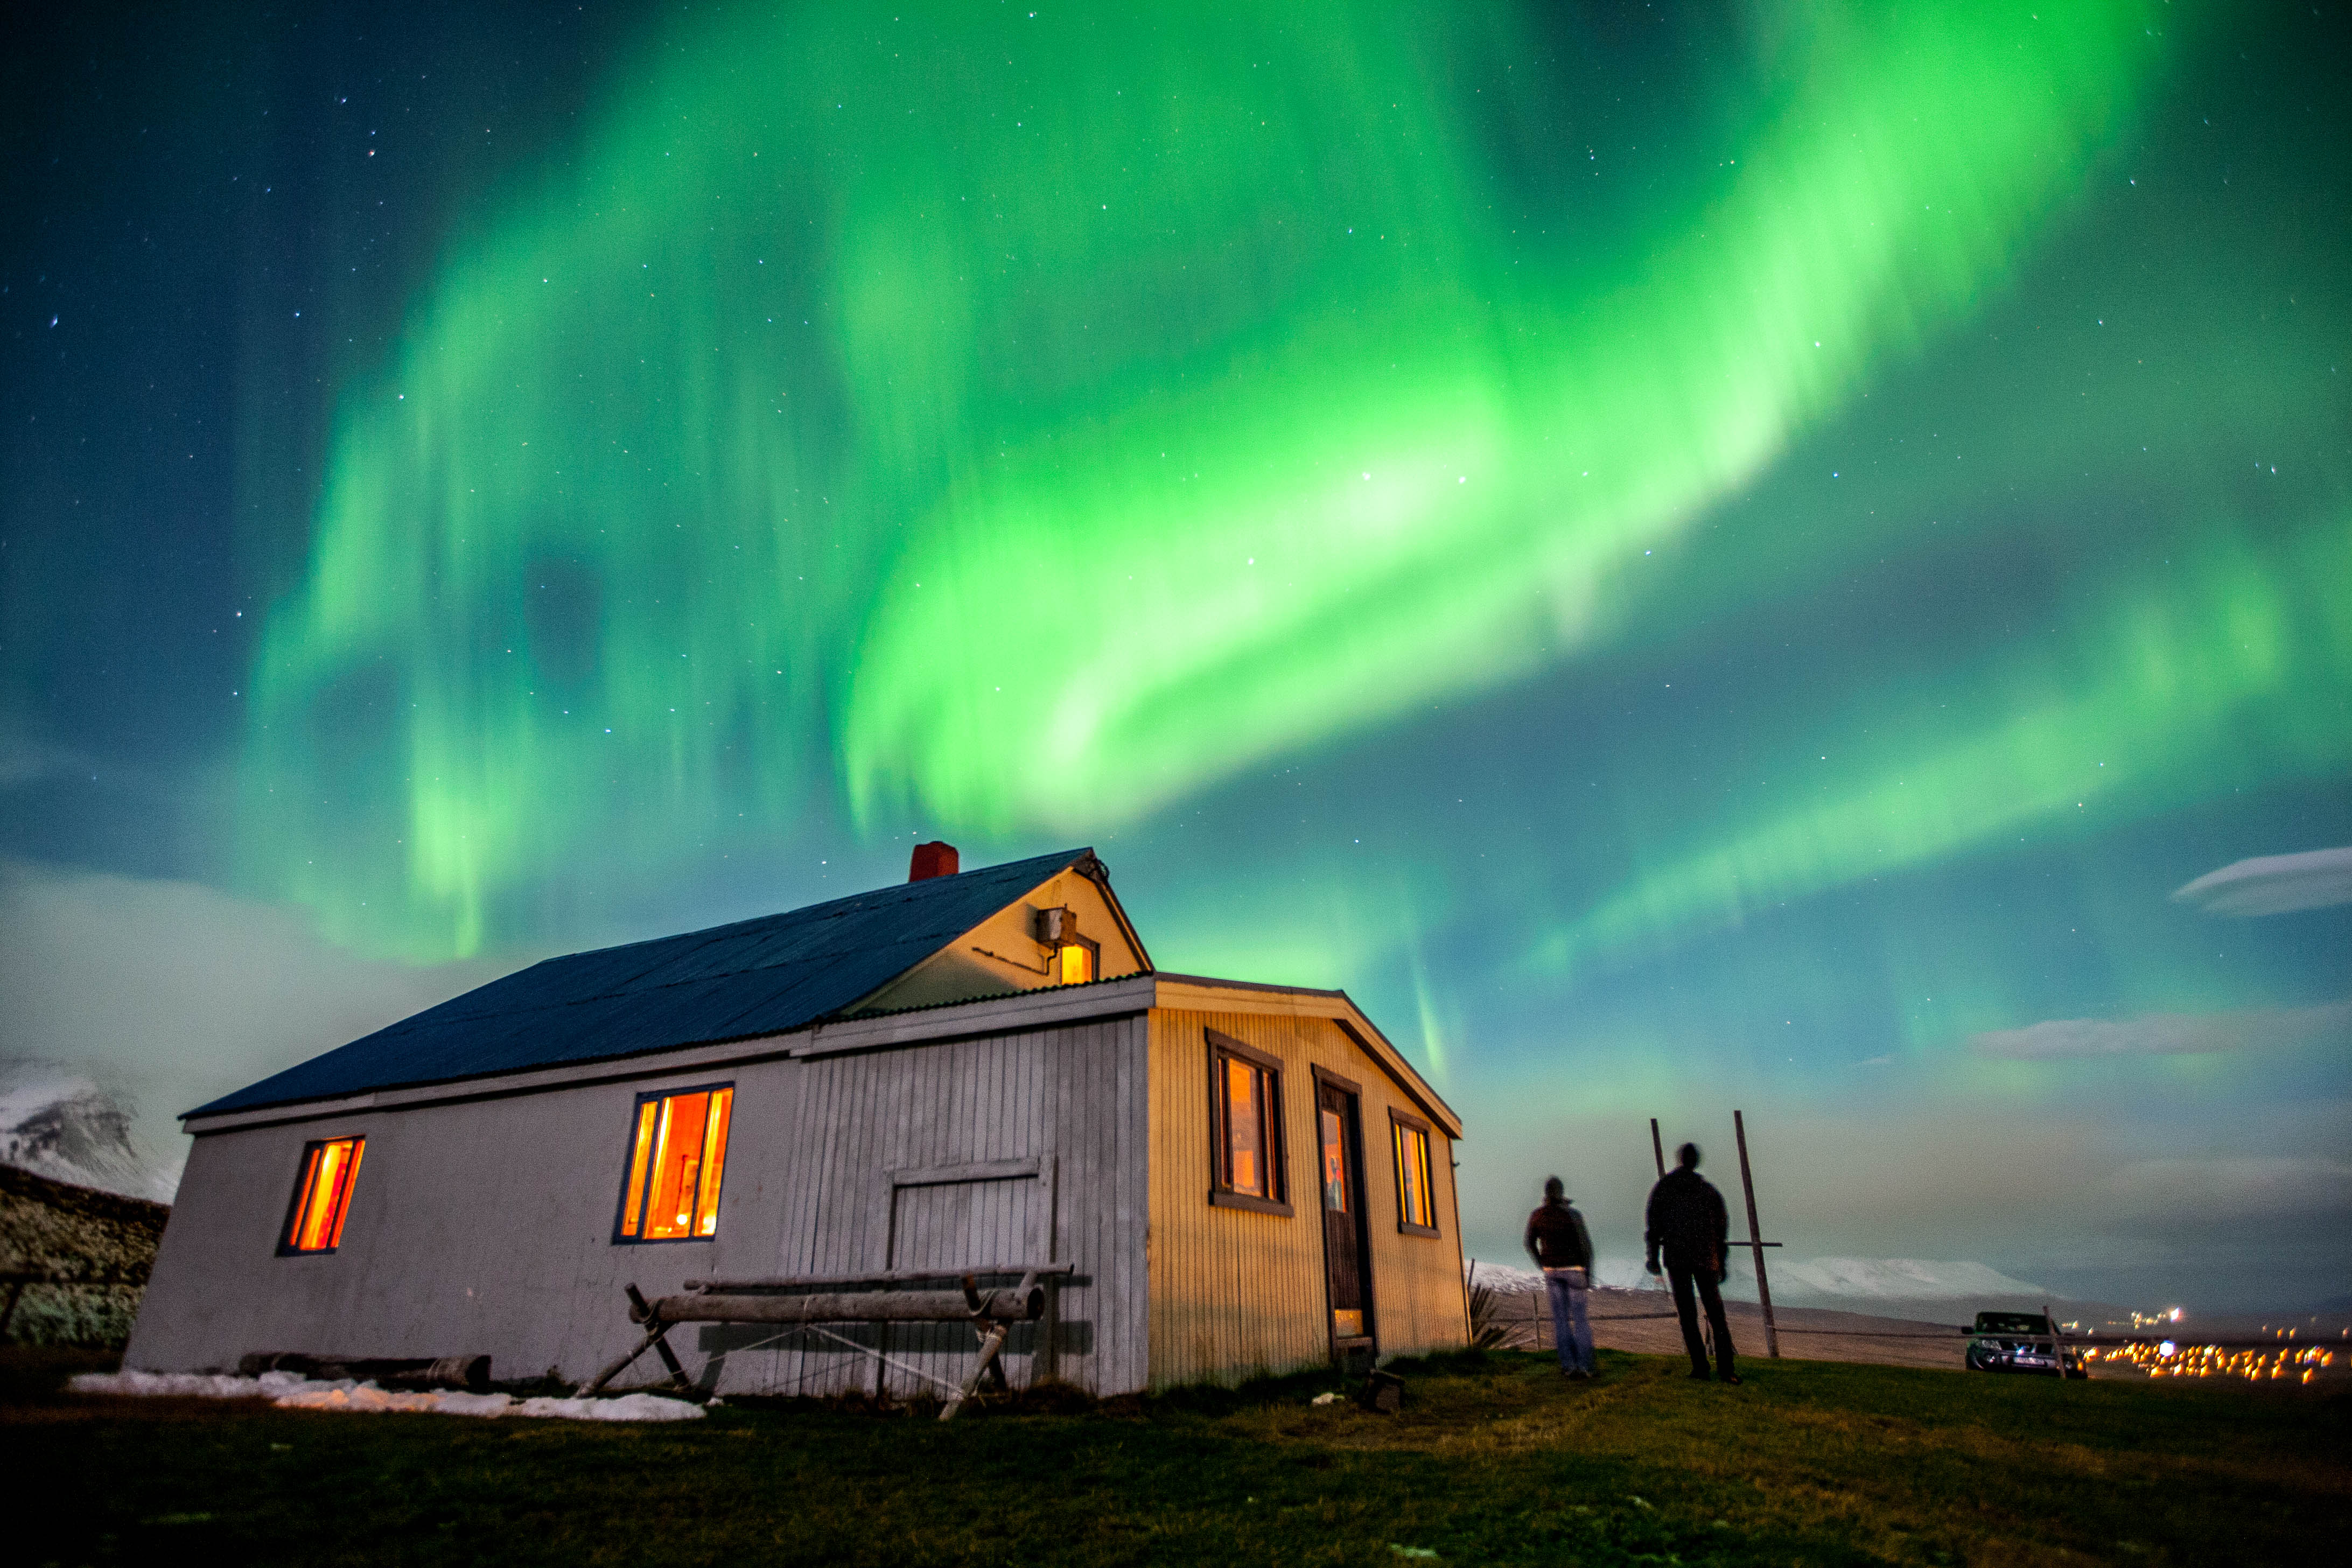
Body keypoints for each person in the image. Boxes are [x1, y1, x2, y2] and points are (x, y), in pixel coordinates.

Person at [1646, 1142, 1740, 1383]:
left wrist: (1653, 1258)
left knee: (1688, 1315)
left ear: (1680, 1160)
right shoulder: (1709, 1192)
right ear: (1696, 1162)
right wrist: (1721, 1261)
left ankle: (1700, 1367)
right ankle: (1726, 1370)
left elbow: (1654, 1227)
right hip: (1705, 1259)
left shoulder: (1664, 1189)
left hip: (1677, 1259)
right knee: (1716, 1315)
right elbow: (1721, 1231)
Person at [1524, 1175, 1596, 1379]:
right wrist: (1587, 1272)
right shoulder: (1573, 1215)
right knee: (1580, 1320)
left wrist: (1542, 1263)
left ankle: (1568, 1366)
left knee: (1561, 1321)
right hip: (1574, 1271)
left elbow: (1529, 1243)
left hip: (1552, 1272)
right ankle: (1586, 1366)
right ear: (1562, 1192)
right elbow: (1585, 1246)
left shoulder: (1537, 1216)